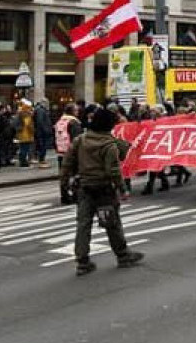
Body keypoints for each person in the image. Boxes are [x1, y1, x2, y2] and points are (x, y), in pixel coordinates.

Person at [59, 106, 144, 276]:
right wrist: (122, 189)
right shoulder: (109, 144)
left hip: (84, 188)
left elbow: (67, 163)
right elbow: (113, 170)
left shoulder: (80, 140)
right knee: (111, 223)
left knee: (83, 225)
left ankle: (82, 262)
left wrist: (64, 184)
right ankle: (123, 255)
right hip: (104, 190)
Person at [54, 103, 83, 205]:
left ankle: (64, 196)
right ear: (72, 112)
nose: (78, 112)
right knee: (75, 174)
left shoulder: (59, 121)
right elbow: (77, 139)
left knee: (64, 176)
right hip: (72, 153)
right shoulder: (74, 122)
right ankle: (75, 196)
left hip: (61, 152)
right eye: (76, 110)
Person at [34, 100, 54, 169]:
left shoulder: (42, 110)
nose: (48, 104)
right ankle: (41, 160)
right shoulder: (41, 111)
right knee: (42, 146)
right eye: (47, 103)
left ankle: (42, 159)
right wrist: (46, 130)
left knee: (42, 146)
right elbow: (40, 122)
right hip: (42, 132)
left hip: (42, 131)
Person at [14, 100, 35, 167]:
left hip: (21, 134)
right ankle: (24, 162)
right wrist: (33, 130)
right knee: (25, 149)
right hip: (26, 134)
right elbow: (28, 124)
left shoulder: (19, 113)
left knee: (22, 148)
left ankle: (22, 161)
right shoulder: (26, 114)